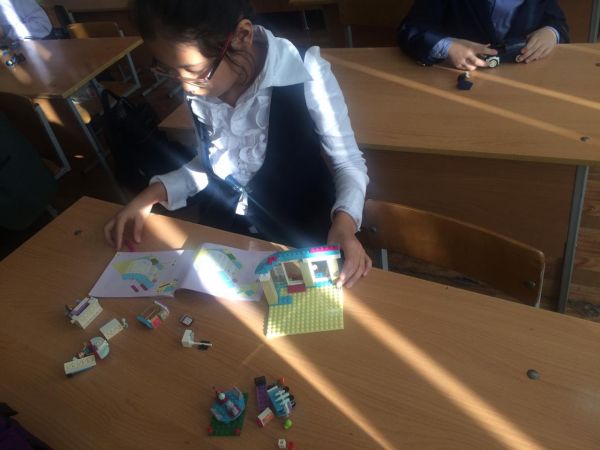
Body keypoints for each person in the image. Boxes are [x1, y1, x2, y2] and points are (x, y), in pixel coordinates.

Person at [104, 0, 372, 288]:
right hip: (228, 241)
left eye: (194, 70)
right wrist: (150, 196)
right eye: (169, 70)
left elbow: (347, 163)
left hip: (300, 239)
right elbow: (211, 164)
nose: (185, 86)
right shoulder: (202, 85)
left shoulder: (305, 72)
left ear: (242, 36)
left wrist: (345, 225)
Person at [397, 0, 570, 70]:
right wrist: (448, 46)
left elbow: (556, 20)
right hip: (458, 75)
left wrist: (551, 32)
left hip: (521, 73)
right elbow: (410, 29)